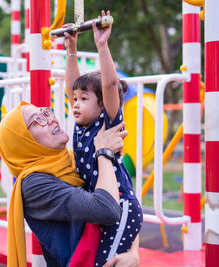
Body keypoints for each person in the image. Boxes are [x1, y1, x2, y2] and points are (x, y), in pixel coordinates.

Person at [0, 101, 140, 267]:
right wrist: (104, 153)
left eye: (46, 112)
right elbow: (107, 209)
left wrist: (132, 252)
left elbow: (125, 197)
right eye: (37, 119)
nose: (51, 119)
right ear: (23, 143)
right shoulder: (33, 185)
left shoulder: (71, 161)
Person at [64, 10, 143, 266]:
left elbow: (109, 86)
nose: (75, 103)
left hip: (120, 208)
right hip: (104, 208)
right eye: (75, 99)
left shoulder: (106, 123)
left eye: (83, 99)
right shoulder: (80, 125)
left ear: (102, 106)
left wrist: (102, 44)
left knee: (108, 262)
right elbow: (72, 85)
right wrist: (71, 50)